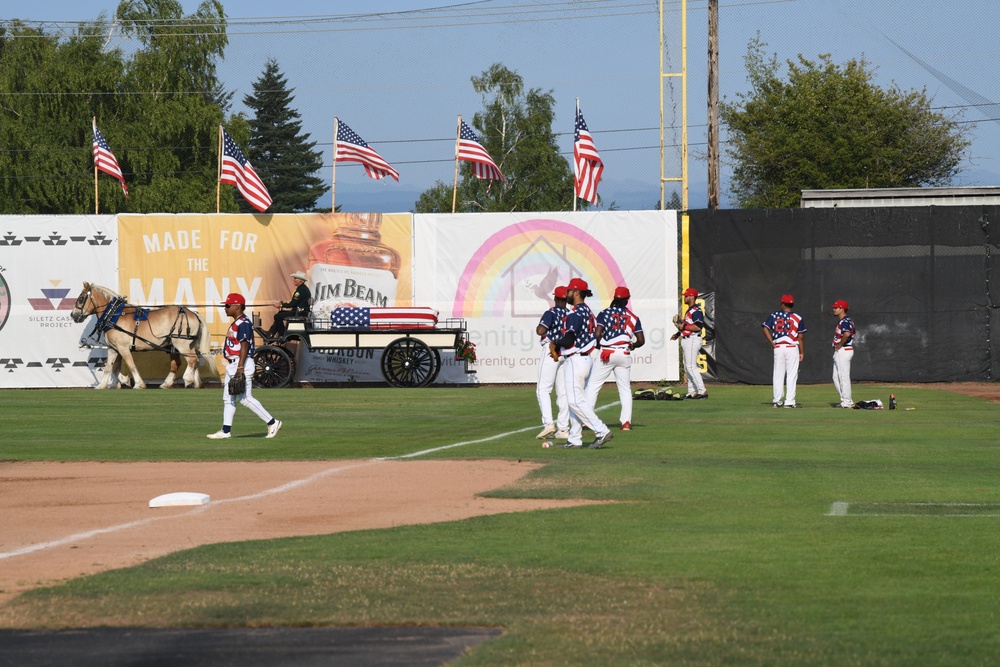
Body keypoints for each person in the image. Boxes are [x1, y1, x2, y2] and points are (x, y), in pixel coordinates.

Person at [208, 293, 283, 439]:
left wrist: (240, 368)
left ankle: (272, 422)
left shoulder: (243, 323)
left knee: (245, 398)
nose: (225, 308)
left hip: (241, 364)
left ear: (237, 306)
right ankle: (225, 431)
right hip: (234, 364)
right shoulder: (237, 322)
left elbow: (244, 345)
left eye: (228, 305)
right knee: (228, 398)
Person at [553, 278, 614, 449]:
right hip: (586, 359)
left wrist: (556, 342)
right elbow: (595, 336)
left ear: (577, 292)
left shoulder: (575, 314)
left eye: (570, 291)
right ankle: (575, 439)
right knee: (577, 400)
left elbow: (569, 338)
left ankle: (601, 431)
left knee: (574, 401)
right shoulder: (589, 313)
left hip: (576, 360)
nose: (567, 294)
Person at [587, 286, 645, 430]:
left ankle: (586, 420)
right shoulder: (633, 317)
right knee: (625, 389)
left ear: (615, 298)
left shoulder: (604, 313)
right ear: (626, 300)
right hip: (624, 353)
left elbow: (597, 333)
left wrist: (600, 346)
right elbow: (641, 340)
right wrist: (633, 345)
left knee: (593, 386)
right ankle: (626, 423)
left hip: (607, 353)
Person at [535, 285, 571, 439]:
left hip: (552, 350)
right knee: (563, 392)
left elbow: (540, 331)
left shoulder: (551, 312)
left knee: (543, 389)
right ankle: (563, 429)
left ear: (555, 298)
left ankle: (548, 423)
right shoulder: (570, 314)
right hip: (566, 352)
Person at [762, 294, 807, 408]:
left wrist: (772, 342)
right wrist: (802, 352)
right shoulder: (798, 317)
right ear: (792, 305)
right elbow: (800, 337)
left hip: (779, 347)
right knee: (791, 375)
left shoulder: (775, 315)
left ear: (782, 304)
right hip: (792, 347)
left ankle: (777, 400)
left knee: (778, 374)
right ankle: (789, 401)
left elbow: (765, 328)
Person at [671, 287, 707, 399]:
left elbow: (698, 327)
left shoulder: (696, 311)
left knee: (691, 366)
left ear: (692, 297)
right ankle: (692, 392)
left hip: (692, 339)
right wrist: (677, 334)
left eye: (686, 296)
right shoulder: (689, 311)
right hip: (686, 339)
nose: (685, 298)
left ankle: (702, 390)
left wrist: (684, 326)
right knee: (688, 368)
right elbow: (686, 327)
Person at [267, 271, 311, 338]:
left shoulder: (300, 290)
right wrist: (282, 304)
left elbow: (293, 303)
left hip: (300, 312)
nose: (294, 280)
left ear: (301, 280)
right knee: (280, 313)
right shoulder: (303, 289)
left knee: (277, 316)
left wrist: (281, 305)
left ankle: (282, 334)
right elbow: (294, 302)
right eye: (294, 278)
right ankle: (271, 333)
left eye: (296, 278)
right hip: (301, 312)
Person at [831, 299, 855, 408]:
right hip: (843, 350)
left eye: (836, 307)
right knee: (836, 377)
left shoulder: (845, 321)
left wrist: (840, 345)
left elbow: (846, 334)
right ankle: (845, 400)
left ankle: (847, 402)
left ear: (842, 309)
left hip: (844, 350)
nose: (834, 309)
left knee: (842, 376)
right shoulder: (845, 320)